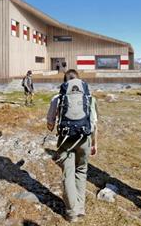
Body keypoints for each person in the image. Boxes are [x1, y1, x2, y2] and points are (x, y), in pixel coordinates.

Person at [46, 69, 98, 222]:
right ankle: (80, 208)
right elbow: (94, 124)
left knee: (68, 174)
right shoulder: (89, 98)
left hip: (65, 140)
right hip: (84, 140)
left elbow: (50, 123)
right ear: (79, 82)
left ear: (65, 83)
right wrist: (94, 143)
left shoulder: (57, 98)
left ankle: (72, 212)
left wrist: (52, 126)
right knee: (81, 171)